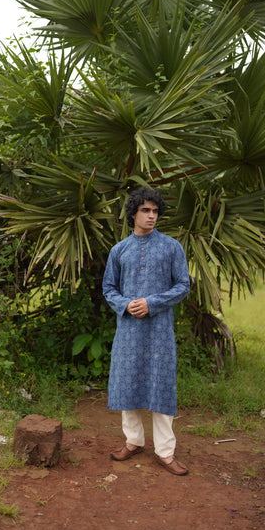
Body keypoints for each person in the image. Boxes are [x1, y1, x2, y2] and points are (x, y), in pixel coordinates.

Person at [102, 187, 191, 476]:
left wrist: (151, 303)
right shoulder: (120, 250)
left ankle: (166, 451)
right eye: (146, 210)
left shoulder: (171, 247)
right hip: (128, 330)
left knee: (161, 385)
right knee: (128, 383)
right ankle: (134, 441)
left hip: (159, 331)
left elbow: (183, 285)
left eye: (155, 211)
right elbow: (108, 289)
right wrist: (126, 304)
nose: (151, 216)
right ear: (133, 213)